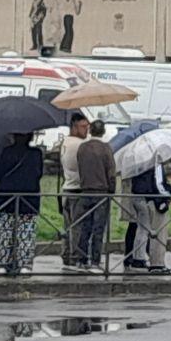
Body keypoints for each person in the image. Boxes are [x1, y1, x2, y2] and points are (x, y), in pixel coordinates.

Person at [0, 132, 43, 275]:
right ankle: (24, 264)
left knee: (4, 231)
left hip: (6, 198)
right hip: (29, 200)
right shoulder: (36, 154)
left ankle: (3, 263)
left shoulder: (7, 152)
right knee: (26, 232)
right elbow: (39, 174)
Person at [70, 122, 116, 272]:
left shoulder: (82, 148)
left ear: (90, 130)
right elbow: (111, 172)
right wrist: (112, 190)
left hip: (85, 190)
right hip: (101, 192)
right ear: (103, 131)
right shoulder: (105, 149)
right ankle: (95, 261)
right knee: (98, 228)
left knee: (85, 227)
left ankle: (81, 259)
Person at [124, 152, 171, 273]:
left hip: (136, 196)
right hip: (146, 198)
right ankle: (143, 260)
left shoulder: (137, 159)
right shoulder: (153, 162)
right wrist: (167, 195)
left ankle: (137, 258)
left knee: (141, 229)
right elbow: (157, 185)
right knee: (146, 229)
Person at [58, 114, 90, 267]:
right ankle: (75, 256)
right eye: (83, 127)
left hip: (66, 188)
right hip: (77, 189)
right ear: (74, 126)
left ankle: (66, 253)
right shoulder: (80, 145)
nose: (86, 130)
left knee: (68, 225)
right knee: (77, 227)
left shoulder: (65, 141)